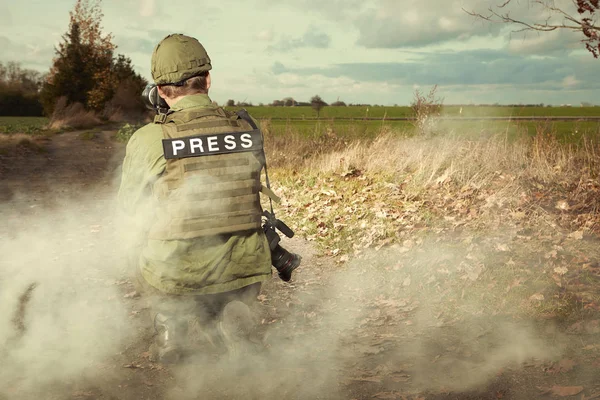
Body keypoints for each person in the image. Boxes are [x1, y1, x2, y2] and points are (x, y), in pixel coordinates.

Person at [117, 33, 274, 364]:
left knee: (135, 242)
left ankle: (170, 322)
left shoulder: (150, 139)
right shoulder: (245, 130)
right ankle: (231, 309)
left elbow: (128, 210)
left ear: (160, 90)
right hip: (244, 268)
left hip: (177, 272)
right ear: (208, 81)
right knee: (230, 256)